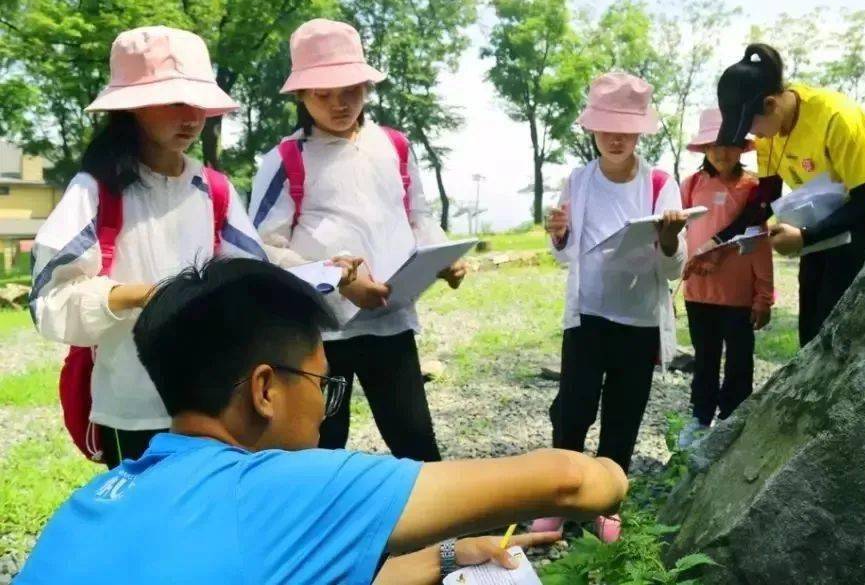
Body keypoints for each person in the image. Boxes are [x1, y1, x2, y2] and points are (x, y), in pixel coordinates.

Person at [16, 258, 628, 584]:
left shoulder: (97, 497)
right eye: (321, 381)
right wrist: (611, 471)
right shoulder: (280, 488)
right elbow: (575, 483)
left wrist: (446, 556)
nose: (325, 403)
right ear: (264, 390)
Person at [29, 26, 267, 468]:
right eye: (173, 101)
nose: (191, 117)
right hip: (132, 406)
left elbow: (253, 280)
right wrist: (141, 295)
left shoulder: (212, 189)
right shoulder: (96, 191)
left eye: (197, 102)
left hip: (211, 400)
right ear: (132, 107)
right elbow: (49, 302)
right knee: (144, 526)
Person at [249, 19, 464, 461]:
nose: (338, 103)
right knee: (322, 447)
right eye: (321, 94)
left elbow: (418, 216)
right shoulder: (285, 159)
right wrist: (337, 279)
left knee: (416, 442)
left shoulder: (395, 146)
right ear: (300, 96)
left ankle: (434, 532)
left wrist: (443, 256)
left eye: (349, 89)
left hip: (391, 320)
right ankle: (328, 530)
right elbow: (262, 250)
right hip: (320, 332)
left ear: (366, 85)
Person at [536, 72, 687, 543]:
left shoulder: (661, 183)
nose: (617, 137)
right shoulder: (577, 181)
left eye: (627, 127)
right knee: (573, 409)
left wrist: (668, 239)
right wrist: (558, 233)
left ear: (642, 130)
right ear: (592, 129)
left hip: (638, 320)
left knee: (624, 413)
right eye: (607, 127)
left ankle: (606, 504)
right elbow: (565, 254)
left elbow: (674, 268)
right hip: (587, 316)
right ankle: (558, 499)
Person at [689, 43, 865, 346]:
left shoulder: (837, 117)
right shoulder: (769, 135)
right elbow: (765, 199)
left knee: (840, 320)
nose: (753, 136)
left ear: (771, 104)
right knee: (811, 320)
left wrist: (803, 237)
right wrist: (719, 241)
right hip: (819, 216)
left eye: (751, 126)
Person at [675, 109, 774, 449]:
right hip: (698, 293)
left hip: (738, 296)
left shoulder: (753, 189)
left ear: (741, 147)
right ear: (703, 149)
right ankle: (700, 418)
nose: (722, 153)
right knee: (704, 359)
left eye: (730, 144)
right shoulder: (691, 186)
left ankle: (732, 421)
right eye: (714, 145)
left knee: (739, 361)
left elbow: (760, 243)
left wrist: (764, 295)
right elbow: (679, 236)